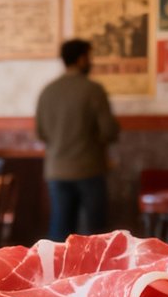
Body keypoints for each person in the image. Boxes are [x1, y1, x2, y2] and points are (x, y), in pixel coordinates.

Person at [35, 39, 119, 241]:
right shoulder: (93, 90)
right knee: (96, 232)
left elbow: (40, 133)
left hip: (56, 170)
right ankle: (97, 273)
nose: (91, 62)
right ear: (82, 59)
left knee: (60, 228)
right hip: (89, 168)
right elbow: (109, 130)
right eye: (89, 57)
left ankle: (58, 271)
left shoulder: (48, 91)